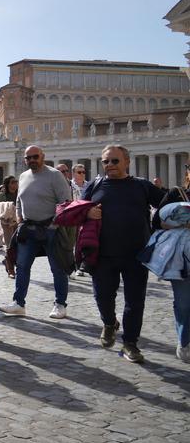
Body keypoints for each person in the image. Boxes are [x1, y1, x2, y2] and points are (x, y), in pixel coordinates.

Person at [84, 144, 167, 363]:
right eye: (105, 161)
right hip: (102, 254)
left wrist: (158, 228)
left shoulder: (142, 186)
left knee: (135, 301)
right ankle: (110, 323)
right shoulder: (95, 185)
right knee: (102, 297)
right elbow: (75, 210)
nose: (109, 165)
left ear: (127, 162)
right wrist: (87, 212)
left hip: (136, 254)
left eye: (114, 161)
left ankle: (130, 343)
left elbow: (166, 207)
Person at [0, 146, 74, 319]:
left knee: (58, 268)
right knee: (22, 265)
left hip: (51, 230)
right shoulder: (23, 176)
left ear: (43, 157)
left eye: (35, 156)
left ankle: (60, 304)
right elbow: (19, 201)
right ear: (25, 160)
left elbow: (66, 203)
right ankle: (19, 303)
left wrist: (54, 224)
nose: (32, 160)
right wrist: (19, 218)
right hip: (28, 229)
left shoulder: (55, 175)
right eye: (28, 158)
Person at [151, 165, 190, 361]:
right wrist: (180, 223)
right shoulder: (177, 193)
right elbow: (156, 222)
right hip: (182, 257)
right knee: (183, 303)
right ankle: (184, 341)